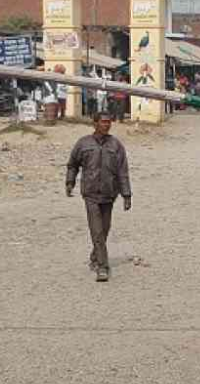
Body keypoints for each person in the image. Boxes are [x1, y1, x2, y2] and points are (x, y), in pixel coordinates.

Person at [66, 112, 132, 282]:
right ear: (94, 124)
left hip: (110, 195)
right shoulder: (83, 144)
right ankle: (103, 267)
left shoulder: (116, 145)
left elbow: (122, 171)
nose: (106, 125)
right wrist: (70, 182)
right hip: (90, 194)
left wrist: (126, 194)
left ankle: (95, 257)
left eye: (109, 122)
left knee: (104, 230)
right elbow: (73, 164)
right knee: (97, 231)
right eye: (103, 122)